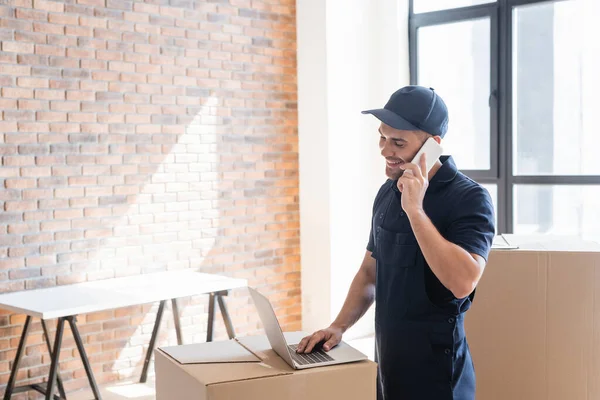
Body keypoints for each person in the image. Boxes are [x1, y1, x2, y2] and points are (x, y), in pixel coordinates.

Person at [296, 86, 496, 400]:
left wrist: (415, 210)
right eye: (382, 137)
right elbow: (369, 273)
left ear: (432, 145)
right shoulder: (388, 193)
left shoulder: (469, 198)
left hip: (439, 381)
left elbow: (463, 281)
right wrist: (338, 326)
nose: (385, 150)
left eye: (398, 142)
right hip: (388, 371)